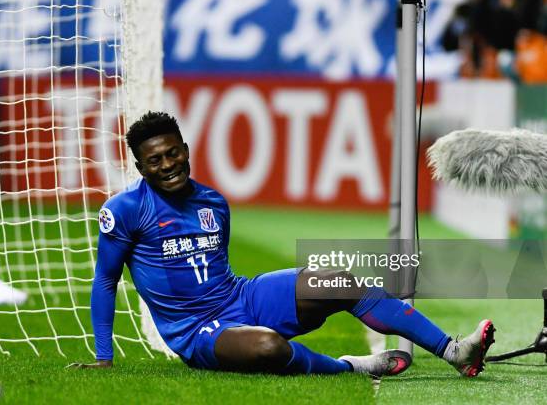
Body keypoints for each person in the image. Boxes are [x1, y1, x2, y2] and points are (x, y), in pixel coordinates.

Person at [69, 111, 495, 377]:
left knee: (341, 282)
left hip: (241, 296)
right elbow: (106, 281)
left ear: (185, 149)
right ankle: (347, 367)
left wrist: (248, 303)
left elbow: (219, 270)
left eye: (172, 153)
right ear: (140, 167)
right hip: (196, 331)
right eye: (155, 160)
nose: (167, 165)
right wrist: (104, 355)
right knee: (267, 347)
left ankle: (454, 351)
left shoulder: (213, 201)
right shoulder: (123, 210)